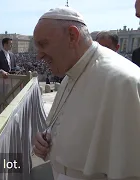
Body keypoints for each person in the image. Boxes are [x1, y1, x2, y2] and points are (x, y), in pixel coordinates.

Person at [32, 7, 140, 180]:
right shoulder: (70, 74)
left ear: (72, 36)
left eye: (43, 44)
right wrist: (46, 141)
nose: (38, 56)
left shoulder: (123, 82)